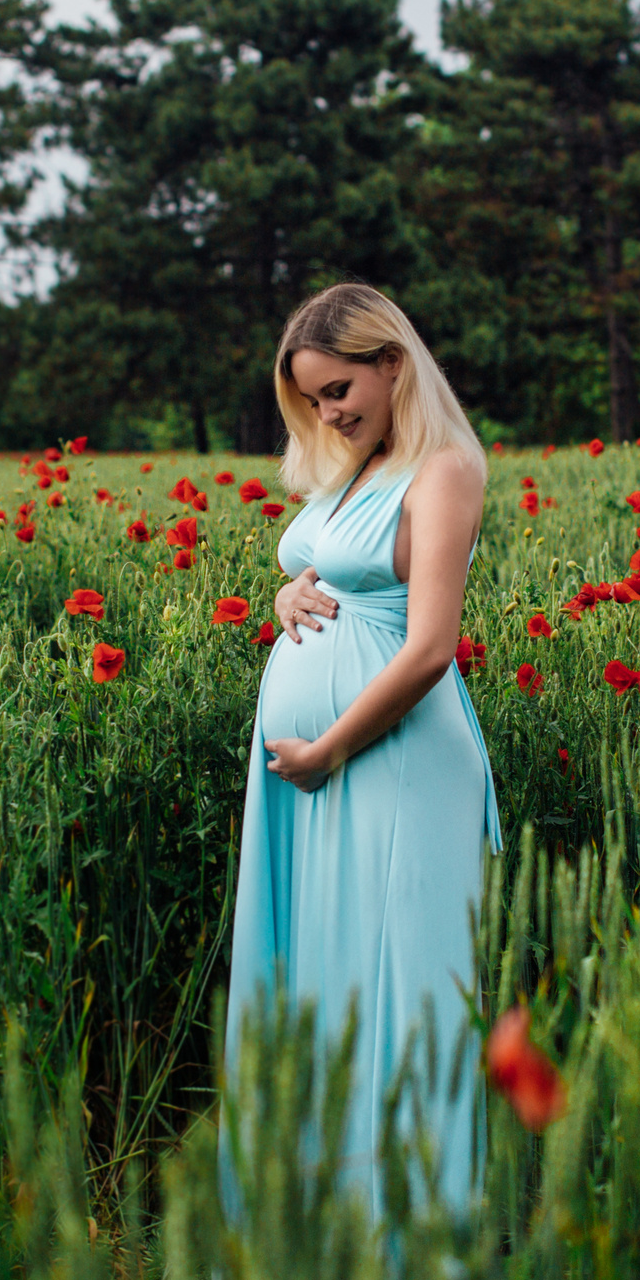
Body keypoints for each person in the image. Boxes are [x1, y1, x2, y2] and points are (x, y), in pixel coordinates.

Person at [223, 282, 501, 1216]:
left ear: (393, 362)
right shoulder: (357, 466)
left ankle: (407, 1245)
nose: (326, 411)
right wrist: (282, 596)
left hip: (391, 760)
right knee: (322, 976)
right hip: (316, 768)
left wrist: (330, 748)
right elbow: (326, 563)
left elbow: (429, 644)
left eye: (338, 388)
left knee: (394, 980)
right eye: (310, 399)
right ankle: (317, 1221)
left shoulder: (445, 466)